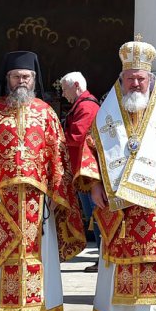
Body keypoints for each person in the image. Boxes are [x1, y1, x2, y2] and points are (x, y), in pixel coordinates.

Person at [75, 36, 156, 311]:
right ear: (121, 80)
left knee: (151, 252)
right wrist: (93, 186)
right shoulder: (106, 115)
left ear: (150, 80)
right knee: (117, 252)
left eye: (140, 78)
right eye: (130, 78)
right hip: (116, 202)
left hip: (153, 202)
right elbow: (90, 149)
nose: (135, 84)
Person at [0, 51, 85, 311]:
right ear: (8, 79)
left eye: (26, 76)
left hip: (36, 200)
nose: (21, 81)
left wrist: (56, 191)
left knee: (35, 253)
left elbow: (58, 156)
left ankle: (35, 308)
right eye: (16, 76)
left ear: (34, 79)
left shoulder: (45, 113)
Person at [61, 71, 102, 272]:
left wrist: (55, 141)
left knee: (96, 214)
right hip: (81, 170)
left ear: (76, 85)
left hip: (88, 172)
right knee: (91, 214)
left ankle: (103, 257)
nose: (62, 94)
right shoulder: (81, 105)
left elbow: (77, 138)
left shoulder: (87, 106)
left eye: (64, 89)